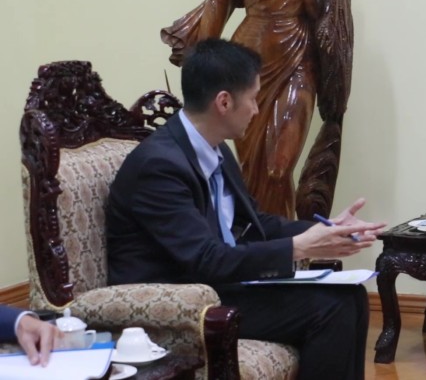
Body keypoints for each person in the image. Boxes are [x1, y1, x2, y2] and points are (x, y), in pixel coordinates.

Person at [105, 38, 385, 380]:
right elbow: (204, 259)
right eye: (253, 98)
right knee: (330, 309)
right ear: (224, 102)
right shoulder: (159, 166)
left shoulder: (216, 149)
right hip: (180, 299)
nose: (256, 109)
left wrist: (322, 231)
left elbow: (253, 223)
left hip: (218, 284)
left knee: (351, 296)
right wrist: (298, 248)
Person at [161, 0, 354, 219]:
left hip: (298, 58)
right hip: (248, 59)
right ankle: (263, 237)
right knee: (251, 168)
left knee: (278, 168)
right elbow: (219, 2)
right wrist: (201, 68)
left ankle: (285, 240)